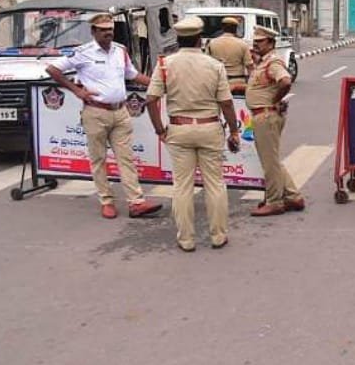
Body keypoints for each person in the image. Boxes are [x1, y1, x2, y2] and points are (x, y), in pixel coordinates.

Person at [45, 14, 163, 220]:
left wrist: (160, 84)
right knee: (98, 159)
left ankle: (136, 202)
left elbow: (132, 75)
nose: (108, 32)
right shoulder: (83, 52)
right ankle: (106, 201)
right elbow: (52, 69)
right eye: (102, 29)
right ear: (93, 31)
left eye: (110, 29)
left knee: (126, 158)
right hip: (95, 112)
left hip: (120, 111)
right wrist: (76, 90)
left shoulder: (120, 50)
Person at [146, 16, 241, 252]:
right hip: (210, 128)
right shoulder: (214, 65)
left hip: (179, 129)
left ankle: (186, 239)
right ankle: (218, 235)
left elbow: (150, 99)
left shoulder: (165, 64)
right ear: (200, 39)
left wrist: (160, 129)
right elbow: (227, 103)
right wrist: (234, 131)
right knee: (215, 184)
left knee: (182, 186)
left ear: (178, 39)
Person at [247, 25, 305, 216]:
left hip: (266, 115)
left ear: (271, 43)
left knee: (269, 162)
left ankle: (274, 201)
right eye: (255, 41)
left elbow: (285, 81)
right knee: (272, 159)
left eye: (260, 42)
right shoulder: (262, 63)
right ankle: (292, 196)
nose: (256, 45)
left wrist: (275, 100)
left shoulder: (273, 62)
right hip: (263, 114)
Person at [207, 16, 252, 93]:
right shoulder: (243, 44)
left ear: (223, 28)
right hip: (238, 83)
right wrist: (251, 85)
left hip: (218, 82)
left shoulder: (212, 43)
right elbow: (249, 66)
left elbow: (207, 64)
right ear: (235, 29)